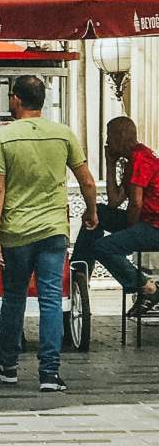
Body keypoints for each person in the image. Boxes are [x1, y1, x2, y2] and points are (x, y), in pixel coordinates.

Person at [0, 75, 98, 393]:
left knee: (14, 298)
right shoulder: (63, 134)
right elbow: (87, 180)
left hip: (17, 231)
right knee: (50, 300)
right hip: (53, 230)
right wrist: (91, 210)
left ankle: (7, 364)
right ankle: (49, 372)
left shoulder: (3, 137)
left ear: (16, 100)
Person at [78, 117, 159, 313]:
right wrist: (110, 164)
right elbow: (114, 201)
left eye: (109, 136)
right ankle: (79, 271)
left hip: (153, 226)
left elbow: (136, 203)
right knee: (96, 212)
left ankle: (148, 288)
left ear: (121, 136)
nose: (106, 142)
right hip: (142, 220)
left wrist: (129, 234)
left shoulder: (141, 158)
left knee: (103, 247)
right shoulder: (131, 160)